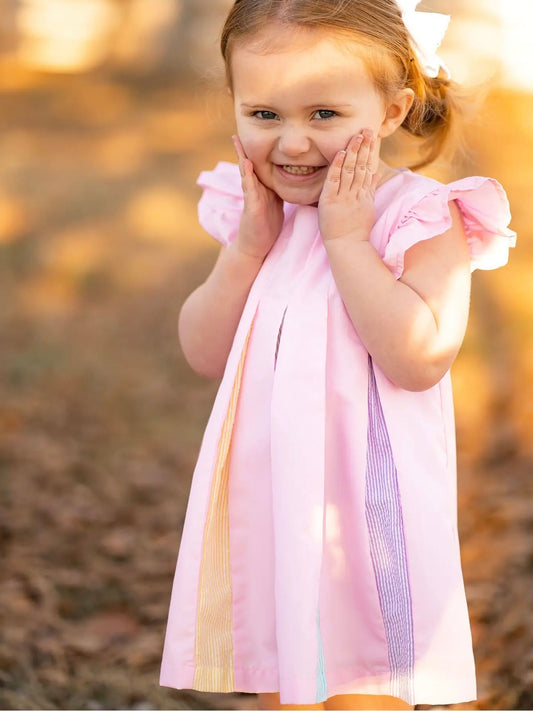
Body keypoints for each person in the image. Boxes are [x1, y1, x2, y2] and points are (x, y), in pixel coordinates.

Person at [160, 1, 516, 709]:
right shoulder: (257, 214)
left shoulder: (418, 215)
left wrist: (348, 243)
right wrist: (247, 249)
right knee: (285, 680)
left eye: (323, 113)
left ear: (391, 109)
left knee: (363, 682)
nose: (292, 143)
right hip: (273, 500)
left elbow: (419, 356)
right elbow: (202, 351)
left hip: (366, 511)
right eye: (263, 114)